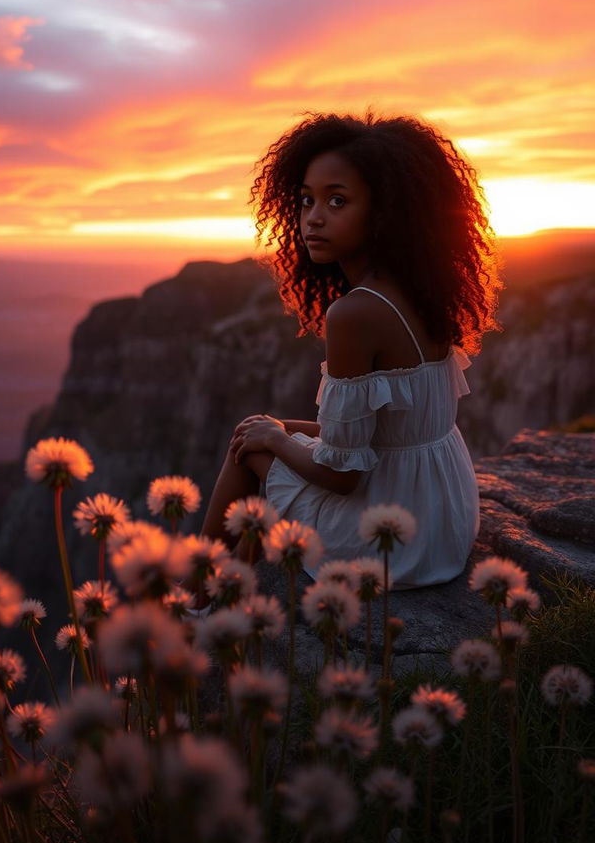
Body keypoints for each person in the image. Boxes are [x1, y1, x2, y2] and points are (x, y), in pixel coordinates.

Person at [199, 111, 502, 588]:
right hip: (445, 519)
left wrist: (276, 440)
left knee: (248, 447)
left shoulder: (356, 313)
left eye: (337, 201)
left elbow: (343, 476)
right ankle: (233, 575)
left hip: (390, 541)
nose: (312, 218)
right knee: (260, 428)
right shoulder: (424, 292)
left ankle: (198, 589)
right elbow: (384, 435)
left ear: (384, 213)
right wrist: (277, 430)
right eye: (306, 200)